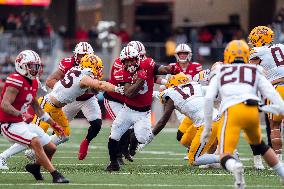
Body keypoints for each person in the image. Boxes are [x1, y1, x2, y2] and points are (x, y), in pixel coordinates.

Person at [201, 40, 284, 188]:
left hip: (232, 111)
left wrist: (207, 127)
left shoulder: (221, 71)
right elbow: (271, 93)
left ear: (227, 54)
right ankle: (283, 173)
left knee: (225, 154)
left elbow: (208, 98)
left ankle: (235, 167)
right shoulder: (255, 70)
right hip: (252, 111)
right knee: (261, 146)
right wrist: (281, 109)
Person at [23, 54, 124, 160]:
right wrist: (118, 89)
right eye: (97, 67)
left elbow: (88, 88)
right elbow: (99, 85)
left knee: (64, 135)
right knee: (35, 134)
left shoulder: (76, 69)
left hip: (57, 106)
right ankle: (5, 155)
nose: (99, 70)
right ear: (90, 65)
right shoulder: (84, 76)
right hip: (48, 104)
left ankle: (37, 152)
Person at [105, 46, 181, 172]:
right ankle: (113, 163)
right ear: (122, 62)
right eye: (126, 61)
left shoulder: (147, 63)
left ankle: (134, 135)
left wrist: (173, 69)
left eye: (131, 60)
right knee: (114, 135)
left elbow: (161, 69)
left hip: (143, 113)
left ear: (137, 58)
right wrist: (140, 80)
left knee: (143, 138)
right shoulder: (122, 72)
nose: (129, 63)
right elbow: (129, 93)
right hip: (127, 110)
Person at [0, 50, 69, 183]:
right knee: (35, 141)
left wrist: (54, 124)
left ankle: (35, 167)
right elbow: (5, 105)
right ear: (22, 65)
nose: (35, 69)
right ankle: (55, 174)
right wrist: (20, 113)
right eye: (32, 66)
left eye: (37, 66)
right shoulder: (16, 80)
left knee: (51, 148)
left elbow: (37, 108)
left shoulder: (34, 82)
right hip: (9, 124)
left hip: (22, 123)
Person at [139, 73, 220, 166]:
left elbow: (162, 122)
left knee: (194, 160)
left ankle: (226, 157)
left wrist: (148, 139)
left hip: (209, 123)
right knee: (185, 140)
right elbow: (214, 91)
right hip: (209, 119)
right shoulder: (195, 86)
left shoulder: (171, 93)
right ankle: (210, 149)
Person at [45, 41, 103, 160]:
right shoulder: (68, 63)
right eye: (80, 55)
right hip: (70, 100)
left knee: (97, 124)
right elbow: (50, 81)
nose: (83, 58)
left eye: (85, 55)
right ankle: (46, 154)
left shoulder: (95, 66)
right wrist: (66, 90)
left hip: (88, 99)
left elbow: (96, 91)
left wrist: (88, 89)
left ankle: (86, 142)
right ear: (75, 55)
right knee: (58, 129)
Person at [248, 26, 284, 162]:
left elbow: (247, 68)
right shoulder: (281, 46)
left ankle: (278, 160)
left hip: (277, 88)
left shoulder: (257, 51)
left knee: (275, 125)